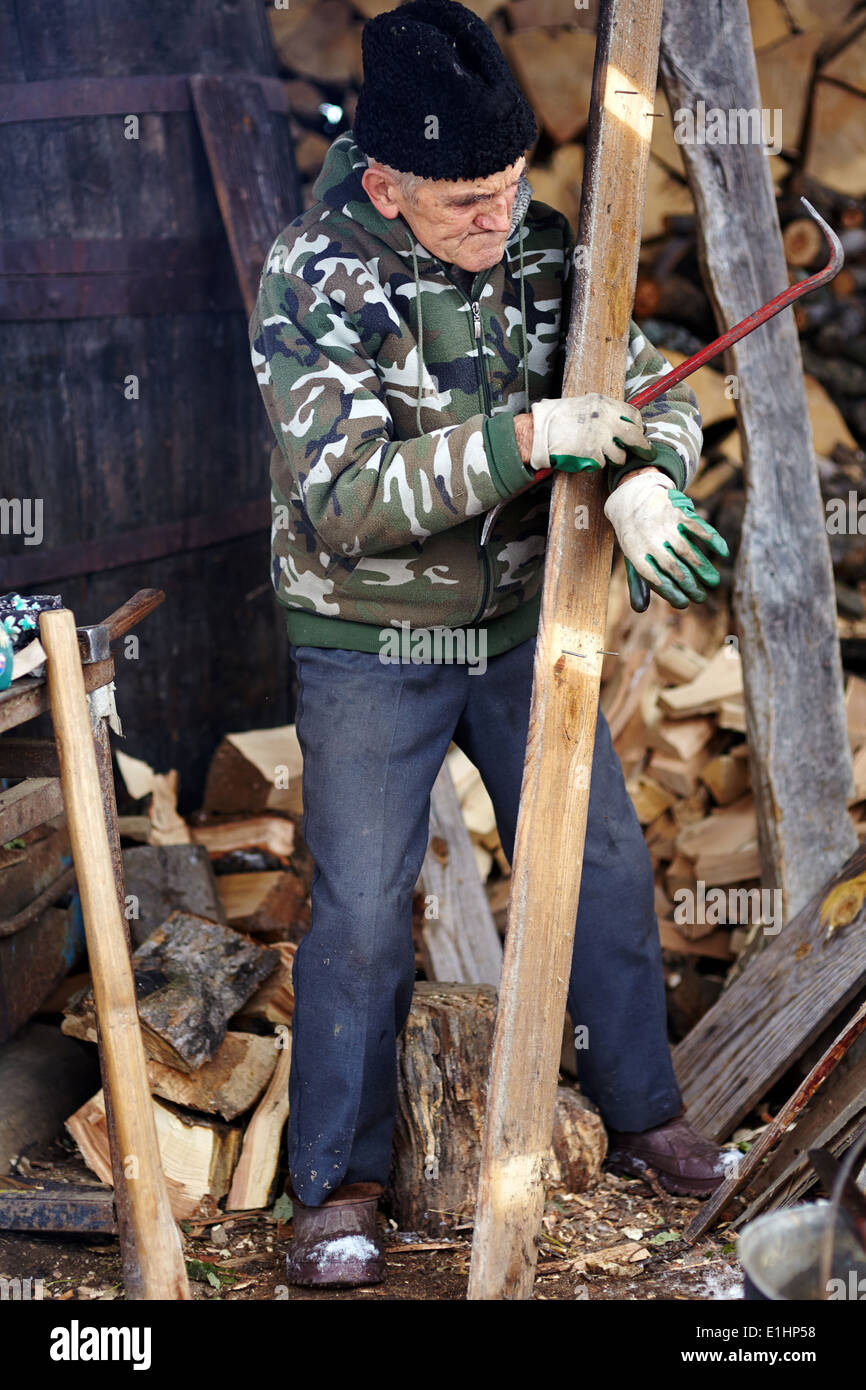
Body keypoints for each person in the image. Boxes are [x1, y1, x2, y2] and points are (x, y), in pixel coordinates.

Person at [249, 0, 730, 1290]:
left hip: (522, 621)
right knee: (358, 904)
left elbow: (644, 378)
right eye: (467, 200)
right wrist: (529, 442)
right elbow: (344, 498)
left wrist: (651, 471)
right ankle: (338, 1185)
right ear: (387, 181)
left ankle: (645, 1118)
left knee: (606, 866)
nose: (498, 217)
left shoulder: (546, 243)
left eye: (513, 184)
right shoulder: (314, 277)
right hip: (370, 636)